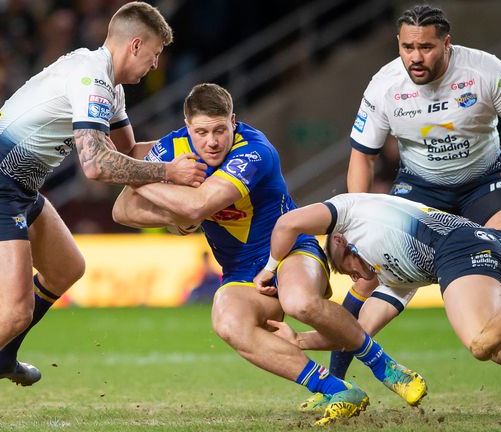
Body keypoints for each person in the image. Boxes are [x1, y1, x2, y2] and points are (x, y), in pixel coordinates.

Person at [0, 3, 207, 430]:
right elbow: (98, 166)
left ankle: (1, 358)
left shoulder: (109, 87)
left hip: (19, 189)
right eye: (154, 53)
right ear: (135, 44)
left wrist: (195, 147)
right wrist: (169, 173)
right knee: (12, 312)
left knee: (67, 267)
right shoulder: (91, 78)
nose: (156, 63)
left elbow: (128, 153)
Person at [112, 83, 428, 426]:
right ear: (187, 128)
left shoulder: (254, 151)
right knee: (227, 323)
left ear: (233, 121)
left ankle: (386, 367)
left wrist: (147, 180)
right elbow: (123, 210)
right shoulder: (170, 149)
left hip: (290, 248)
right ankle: (336, 389)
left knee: (300, 303)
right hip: (240, 269)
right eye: (201, 132)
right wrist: (166, 183)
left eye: (220, 130)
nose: (212, 142)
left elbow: (198, 204)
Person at [320, 4, 501, 411]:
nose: (415, 57)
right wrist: (353, 217)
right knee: (368, 277)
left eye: (426, 47)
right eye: (407, 47)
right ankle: (335, 385)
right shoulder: (384, 84)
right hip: (420, 191)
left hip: (482, 183)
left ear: (446, 44)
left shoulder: (483, 70)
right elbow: (363, 155)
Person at [257, 193, 501, 425]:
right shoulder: (394, 277)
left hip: (459, 249)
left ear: (341, 244)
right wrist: (299, 340)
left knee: (479, 342)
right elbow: (356, 333)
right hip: (498, 245)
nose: (356, 276)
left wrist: (269, 269)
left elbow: (288, 223)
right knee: (497, 342)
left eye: (348, 270)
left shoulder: (347, 212)